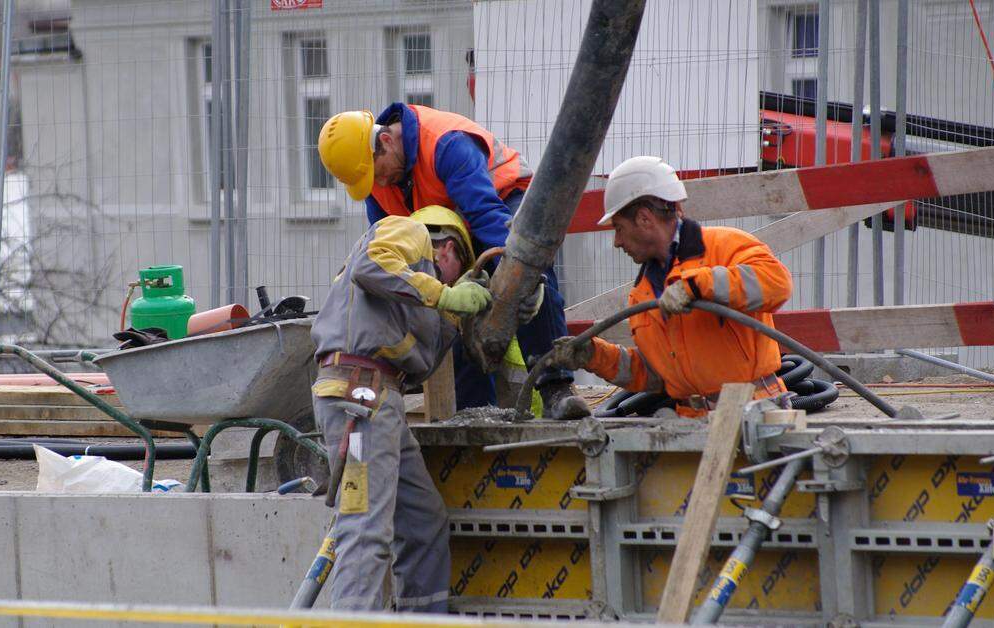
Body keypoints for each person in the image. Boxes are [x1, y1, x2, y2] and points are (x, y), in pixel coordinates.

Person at [309, 206, 540, 612]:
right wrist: (447, 294)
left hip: (380, 404)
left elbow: (444, 356)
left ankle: (421, 619)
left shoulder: (421, 300)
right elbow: (370, 266)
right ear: (447, 249)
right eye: (458, 272)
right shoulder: (407, 231)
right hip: (358, 398)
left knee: (423, 522)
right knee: (365, 531)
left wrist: (484, 311)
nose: (454, 283)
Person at [317, 103, 588, 420]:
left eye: (377, 173)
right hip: (452, 230)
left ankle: (556, 387)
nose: (380, 183)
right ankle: (475, 410)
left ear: (387, 141)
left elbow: (486, 215)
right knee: (456, 308)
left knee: (526, 267)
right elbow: (386, 248)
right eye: (371, 179)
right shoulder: (378, 182)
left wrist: (526, 278)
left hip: (501, 203)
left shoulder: (446, 144)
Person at [545, 156, 793, 418]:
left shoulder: (726, 246)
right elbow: (658, 374)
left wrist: (696, 286)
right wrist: (594, 355)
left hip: (756, 415)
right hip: (691, 423)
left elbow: (777, 283)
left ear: (644, 219)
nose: (617, 242)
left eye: (618, 228)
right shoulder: (642, 295)